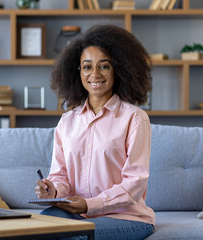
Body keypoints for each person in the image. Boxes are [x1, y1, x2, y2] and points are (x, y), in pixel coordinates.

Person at [35, 24, 155, 240]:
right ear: (78, 71)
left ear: (119, 70)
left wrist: (91, 205)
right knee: (37, 228)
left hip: (125, 218)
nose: (95, 74)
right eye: (87, 67)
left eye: (104, 66)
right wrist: (52, 191)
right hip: (76, 214)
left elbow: (134, 183)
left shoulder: (135, 118)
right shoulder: (67, 122)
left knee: (77, 236)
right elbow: (61, 176)